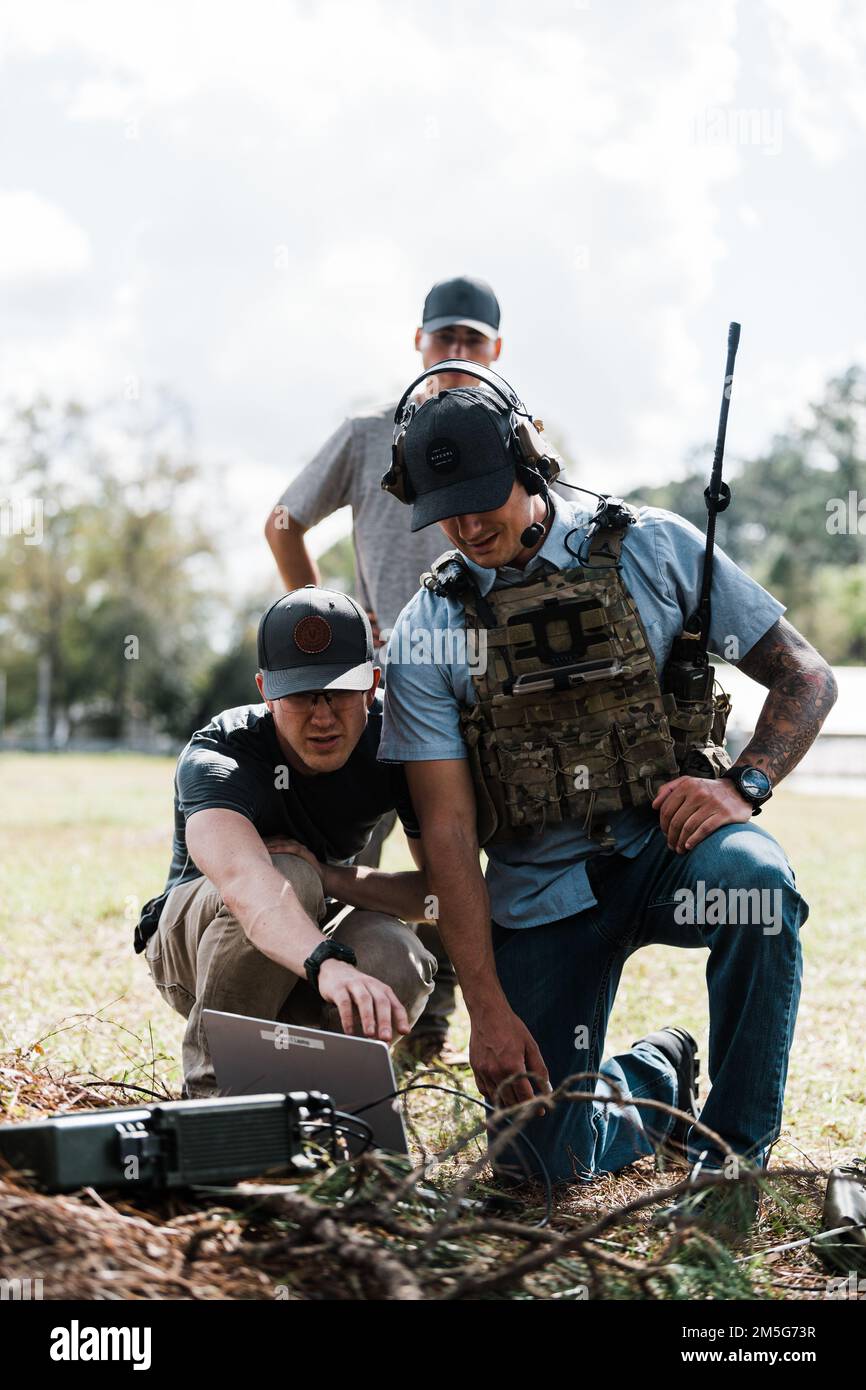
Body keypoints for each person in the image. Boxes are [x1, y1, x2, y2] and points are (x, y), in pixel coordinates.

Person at [377, 371, 838, 1237]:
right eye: (446, 508)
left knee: (760, 893)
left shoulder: (655, 549)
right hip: (539, 892)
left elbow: (805, 677)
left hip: (670, 853)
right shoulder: (425, 630)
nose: (470, 525)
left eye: (484, 498)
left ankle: (728, 1174)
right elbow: (446, 830)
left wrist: (743, 786)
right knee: (534, 1173)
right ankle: (655, 1081)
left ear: (530, 462)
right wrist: (487, 1009)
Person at [263, 275, 504, 1060]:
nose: (459, 353)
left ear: (496, 350)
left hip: (481, 685)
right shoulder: (372, 437)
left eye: (474, 341)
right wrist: (327, 619)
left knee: (455, 856)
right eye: (446, 339)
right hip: (373, 683)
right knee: (345, 856)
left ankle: (435, 1014)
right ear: (419, 344)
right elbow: (283, 520)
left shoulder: (513, 434)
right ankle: (333, 1021)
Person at [135, 585, 437, 1098]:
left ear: (372, 685)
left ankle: (314, 1097)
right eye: (300, 694)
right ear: (265, 691)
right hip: (199, 951)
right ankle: (216, 1096)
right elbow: (245, 882)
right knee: (286, 876)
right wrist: (325, 963)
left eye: (339, 691)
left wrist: (333, 876)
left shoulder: (400, 741)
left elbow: (441, 894)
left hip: (315, 935)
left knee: (395, 952)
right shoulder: (223, 751)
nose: (322, 717)